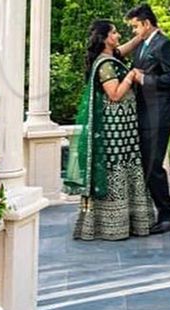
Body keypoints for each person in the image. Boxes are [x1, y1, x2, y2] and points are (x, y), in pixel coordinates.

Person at [64, 19, 154, 241]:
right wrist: (132, 75)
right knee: (116, 168)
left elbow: (127, 47)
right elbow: (114, 95)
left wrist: (143, 34)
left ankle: (126, 221)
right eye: (114, 33)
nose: (118, 36)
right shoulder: (105, 64)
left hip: (123, 129)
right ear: (104, 38)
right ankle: (112, 225)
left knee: (126, 165)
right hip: (114, 130)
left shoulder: (111, 58)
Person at [126, 3, 170, 234]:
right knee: (146, 166)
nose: (134, 31)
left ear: (147, 24)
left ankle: (169, 216)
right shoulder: (142, 45)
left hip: (160, 114)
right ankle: (161, 214)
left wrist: (146, 80)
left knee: (152, 167)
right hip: (144, 114)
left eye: (135, 27)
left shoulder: (165, 44)